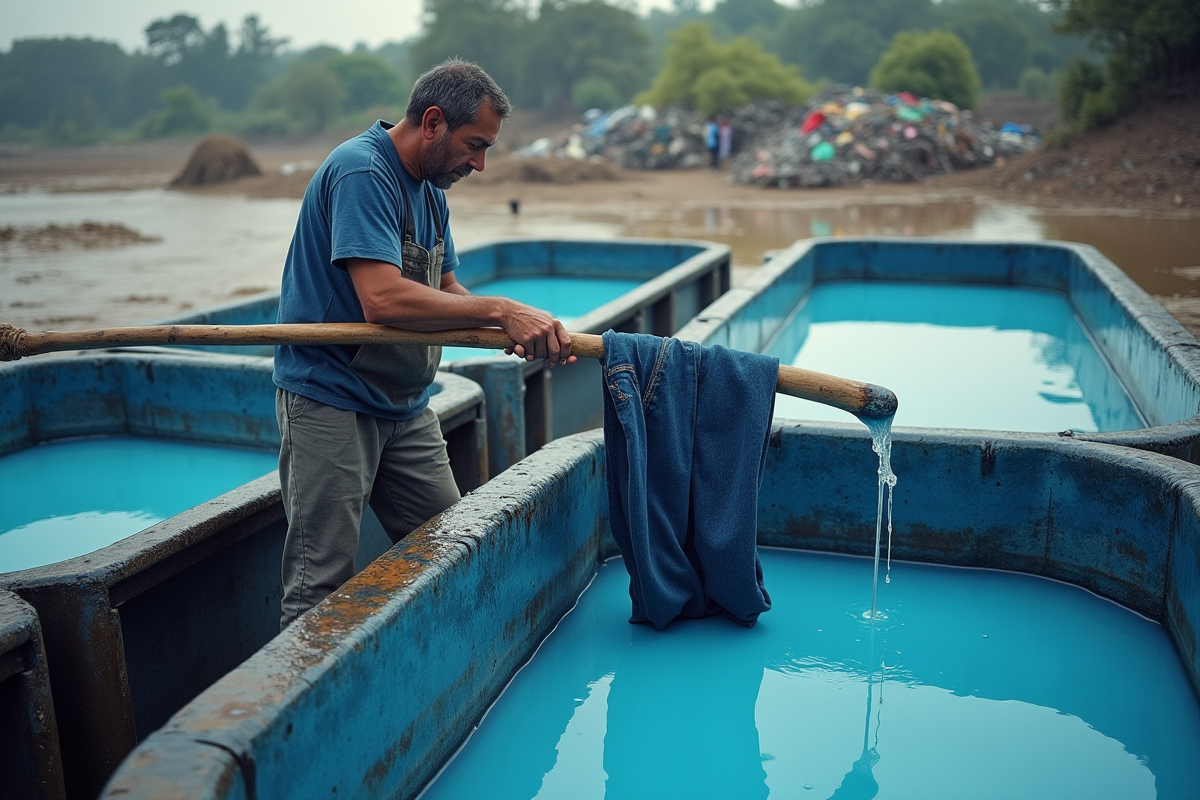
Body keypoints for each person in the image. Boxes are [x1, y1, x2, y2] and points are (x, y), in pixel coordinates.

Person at [272, 59, 576, 628]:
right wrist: (502, 308)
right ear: (432, 122)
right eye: (475, 145)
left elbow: (445, 287)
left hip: (404, 404)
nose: (480, 164)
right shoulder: (364, 172)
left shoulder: (432, 189)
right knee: (320, 589)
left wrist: (511, 328)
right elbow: (383, 300)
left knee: (447, 549)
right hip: (332, 400)